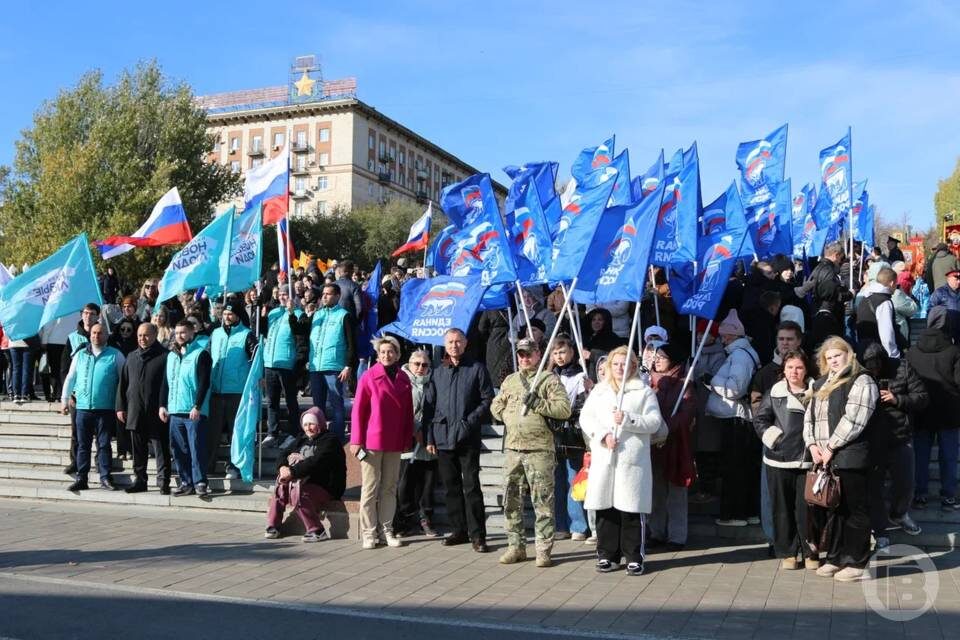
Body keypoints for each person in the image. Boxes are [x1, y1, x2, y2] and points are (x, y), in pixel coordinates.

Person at [579, 346, 667, 576]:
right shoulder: (599, 391)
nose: (620, 368)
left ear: (634, 367)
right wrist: (602, 435)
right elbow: (586, 418)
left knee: (630, 509)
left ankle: (634, 556)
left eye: (625, 364)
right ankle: (607, 555)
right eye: (616, 363)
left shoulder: (643, 392)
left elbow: (654, 422)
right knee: (605, 509)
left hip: (631, 460)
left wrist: (628, 419)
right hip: (605, 458)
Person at [491, 338, 572, 567]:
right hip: (513, 449)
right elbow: (496, 407)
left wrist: (538, 404)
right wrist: (508, 415)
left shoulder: (548, 380)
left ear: (538, 354)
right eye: (521, 355)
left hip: (539, 450)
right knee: (511, 501)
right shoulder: (510, 380)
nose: (524, 358)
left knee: (542, 502)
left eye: (529, 354)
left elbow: (563, 410)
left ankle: (543, 549)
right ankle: (515, 546)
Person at [804, 336, 878, 582]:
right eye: (829, 357)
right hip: (827, 457)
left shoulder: (862, 380)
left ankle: (857, 563)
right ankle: (835, 558)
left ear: (849, 354)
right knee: (836, 511)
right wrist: (813, 444)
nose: (834, 360)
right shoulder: (821, 383)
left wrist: (831, 446)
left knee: (856, 510)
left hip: (852, 456)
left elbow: (855, 418)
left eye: (838, 355)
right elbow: (809, 417)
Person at [423, 328, 494, 552]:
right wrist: (430, 437)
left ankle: (478, 535)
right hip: (443, 437)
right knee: (451, 488)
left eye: (458, 341)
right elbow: (429, 407)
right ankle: (459, 530)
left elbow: (487, 399)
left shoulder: (476, 368)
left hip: (467, 436)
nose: (454, 346)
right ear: (445, 345)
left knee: (471, 486)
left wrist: (469, 422)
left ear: (465, 343)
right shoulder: (437, 372)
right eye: (450, 342)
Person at [860, 343, 928, 548]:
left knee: (905, 484)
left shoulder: (903, 368)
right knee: (875, 488)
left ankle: (899, 514)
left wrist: (896, 399)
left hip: (900, 435)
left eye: (877, 367)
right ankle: (879, 528)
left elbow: (922, 398)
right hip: (873, 439)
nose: (875, 371)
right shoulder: (862, 373)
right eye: (870, 368)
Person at [350, 336, 414, 549]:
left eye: (391, 351)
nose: (387, 355)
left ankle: (386, 529)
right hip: (372, 441)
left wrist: (407, 438)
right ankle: (369, 532)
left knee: (389, 488)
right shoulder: (368, 377)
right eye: (383, 352)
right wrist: (356, 440)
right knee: (370, 488)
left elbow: (408, 414)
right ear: (377, 355)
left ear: (397, 354)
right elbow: (358, 411)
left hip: (395, 441)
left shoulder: (404, 378)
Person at [753, 350, 815, 570]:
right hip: (779, 459)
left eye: (798, 367)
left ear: (806, 369)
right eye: (789, 367)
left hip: (808, 459)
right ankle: (788, 552)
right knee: (782, 508)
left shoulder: (816, 392)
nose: (794, 372)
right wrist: (775, 439)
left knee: (807, 509)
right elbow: (760, 419)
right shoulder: (775, 392)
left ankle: (810, 551)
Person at [704, 309, 761, 526]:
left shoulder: (738, 356)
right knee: (743, 467)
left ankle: (734, 514)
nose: (721, 338)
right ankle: (749, 512)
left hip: (735, 417)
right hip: (739, 417)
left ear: (731, 336)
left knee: (734, 468)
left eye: (724, 335)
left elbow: (735, 389)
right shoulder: (745, 353)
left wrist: (712, 383)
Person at [906, 306, 960, 511]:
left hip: (921, 410)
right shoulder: (954, 351)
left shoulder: (912, 352)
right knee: (949, 455)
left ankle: (920, 495)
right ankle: (948, 496)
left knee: (920, 456)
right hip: (949, 411)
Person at [265, 407, 346, 542]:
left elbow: (316, 462)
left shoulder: (330, 440)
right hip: (303, 480)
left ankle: (317, 531)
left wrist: (292, 472)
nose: (308, 428)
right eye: (305, 424)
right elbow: (283, 454)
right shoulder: (302, 438)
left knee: (299, 493)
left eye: (312, 424)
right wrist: (283, 467)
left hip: (326, 486)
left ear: (320, 423)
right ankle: (273, 526)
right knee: (281, 486)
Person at [61, 324, 126, 492]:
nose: (96, 336)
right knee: (83, 445)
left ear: (106, 335)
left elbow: (124, 381)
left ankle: (105, 477)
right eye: (94, 333)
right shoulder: (80, 355)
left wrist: (122, 404)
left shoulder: (116, 355)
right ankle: (81, 478)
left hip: (105, 408)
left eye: (100, 333)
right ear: (90, 335)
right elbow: (70, 377)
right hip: (83, 408)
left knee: (104, 444)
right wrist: (64, 399)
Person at [648, 342, 695, 551]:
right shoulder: (648, 383)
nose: (657, 360)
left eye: (662, 357)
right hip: (653, 445)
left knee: (676, 491)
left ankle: (677, 536)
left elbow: (686, 414)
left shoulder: (684, 385)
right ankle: (656, 532)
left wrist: (664, 428)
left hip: (675, 444)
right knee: (656, 491)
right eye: (656, 357)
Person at [116, 323, 171, 494]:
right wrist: (120, 407)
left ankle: (163, 482)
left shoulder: (165, 356)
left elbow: (168, 384)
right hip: (135, 410)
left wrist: (165, 405)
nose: (142, 338)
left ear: (155, 335)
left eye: (146, 335)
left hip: (157, 412)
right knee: (138, 449)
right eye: (139, 335)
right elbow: (123, 384)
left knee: (161, 449)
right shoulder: (131, 357)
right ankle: (140, 480)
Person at [297, 283, 356, 443]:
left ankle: (337, 437)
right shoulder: (317, 315)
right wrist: (291, 313)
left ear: (337, 296)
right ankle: (319, 436)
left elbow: (352, 343)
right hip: (316, 366)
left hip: (335, 367)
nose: (324, 297)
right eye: (323, 294)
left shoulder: (344, 316)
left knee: (337, 404)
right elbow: (299, 330)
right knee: (318, 406)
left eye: (328, 294)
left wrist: (348, 365)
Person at [160, 320, 213, 497]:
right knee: (178, 449)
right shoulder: (171, 355)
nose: (179, 336)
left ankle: (200, 482)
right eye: (177, 332)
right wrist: (162, 405)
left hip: (193, 412)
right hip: (175, 411)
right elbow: (166, 383)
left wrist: (197, 405)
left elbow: (204, 383)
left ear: (192, 333)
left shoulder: (200, 354)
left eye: (183, 332)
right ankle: (186, 482)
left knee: (196, 448)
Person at [206, 302, 256, 479]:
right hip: (216, 390)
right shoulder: (216, 333)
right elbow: (207, 355)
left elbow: (255, 359)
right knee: (212, 431)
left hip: (236, 390)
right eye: (225, 313)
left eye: (230, 313)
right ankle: (208, 465)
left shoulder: (246, 334)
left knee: (236, 431)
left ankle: (234, 466)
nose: (226, 316)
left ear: (238, 315)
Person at [394, 349, 440, 537]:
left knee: (427, 484)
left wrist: (427, 433)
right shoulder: (401, 381)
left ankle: (425, 518)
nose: (421, 368)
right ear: (409, 364)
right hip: (407, 440)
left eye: (425, 364)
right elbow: (400, 410)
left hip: (429, 442)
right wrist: (415, 429)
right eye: (417, 364)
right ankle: (404, 519)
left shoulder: (435, 383)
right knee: (405, 483)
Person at [550, 336, 592, 541]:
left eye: (563, 352)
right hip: (553, 434)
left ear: (572, 352)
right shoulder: (548, 376)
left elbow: (584, 404)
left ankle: (579, 525)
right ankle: (560, 525)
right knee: (557, 481)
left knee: (573, 478)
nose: (559, 356)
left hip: (572, 434)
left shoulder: (580, 375)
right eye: (555, 353)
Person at [60, 303, 102, 476]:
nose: (88, 316)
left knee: (101, 434)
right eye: (85, 313)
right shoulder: (72, 337)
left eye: (92, 313)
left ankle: (101, 463)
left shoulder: (104, 335)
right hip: (77, 395)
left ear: (98, 316)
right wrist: (68, 394)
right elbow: (65, 369)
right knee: (77, 431)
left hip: (98, 393)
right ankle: (75, 462)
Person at [261, 289, 302, 447]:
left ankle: (294, 432)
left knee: (291, 400)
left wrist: (297, 363)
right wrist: (263, 316)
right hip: (270, 363)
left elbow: (299, 336)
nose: (282, 297)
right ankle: (273, 432)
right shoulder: (273, 313)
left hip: (287, 363)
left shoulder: (298, 314)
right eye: (280, 295)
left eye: (285, 294)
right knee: (272, 401)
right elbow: (263, 332)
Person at [794, 242, 852, 351]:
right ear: (836, 255)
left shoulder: (819, 268)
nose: (841, 261)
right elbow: (830, 293)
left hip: (821, 314)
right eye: (841, 257)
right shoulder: (828, 270)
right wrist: (849, 294)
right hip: (828, 316)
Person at [855, 267, 906, 359]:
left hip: (865, 351)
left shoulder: (865, 298)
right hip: (879, 354)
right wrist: (894, 355)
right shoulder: (883, 301)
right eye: (896, 284)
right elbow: (886, 333)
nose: (896, 287)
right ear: (891, 283)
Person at [929, 268, 960, 344]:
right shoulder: (939, 293)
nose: (959, 281)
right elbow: (931, 311)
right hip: (946, 333)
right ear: (948, 279)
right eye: (956, 279)